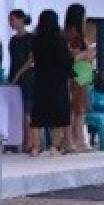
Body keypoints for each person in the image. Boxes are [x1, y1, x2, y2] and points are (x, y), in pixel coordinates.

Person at [15, 10, 72, 156]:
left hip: (40, 80)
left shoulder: (36, 40)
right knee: (56, 114)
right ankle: (54, 146)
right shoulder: (59, 41)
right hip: (57, 81)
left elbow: (34, 59)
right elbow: (66, 61)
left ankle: (35, 146)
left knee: (38, 114)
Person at [63, 3, 96, 152]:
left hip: (83, 75)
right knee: (77, 109)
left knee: (79, 109)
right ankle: (76, 141)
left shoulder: (77, 33)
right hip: (76, 76)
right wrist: (85, 54)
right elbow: (72, 56)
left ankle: (79, 140)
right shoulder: (71, 33)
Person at [7, 9, 36, 153]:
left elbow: (31, 59)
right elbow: (13, 60)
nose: (10, 23)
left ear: (21, 20)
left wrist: (19, 73)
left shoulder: (31, 38)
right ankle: (20, 140)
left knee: (27, 109)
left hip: (27, 77)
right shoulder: (12, 40)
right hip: (15, 76)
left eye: (12, 19)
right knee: (17, 110)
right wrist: (12, 77)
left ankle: (29, 141)